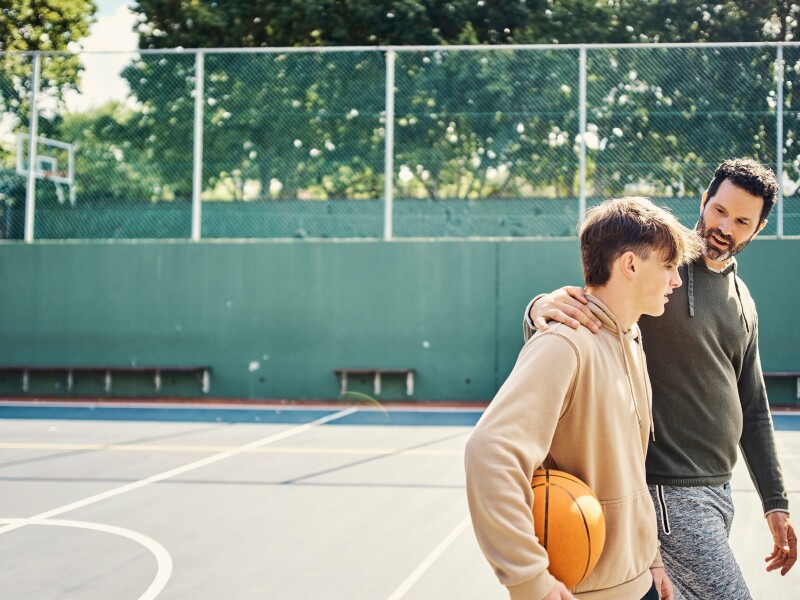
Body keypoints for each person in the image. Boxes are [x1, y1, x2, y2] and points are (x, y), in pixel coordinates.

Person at [524, 159, 797, 600]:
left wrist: (775, 502)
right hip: (668, 491)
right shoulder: (660, 267)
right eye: (719, 210)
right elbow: (591, 303)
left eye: (742, 220)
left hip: (717, 491)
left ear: (758, 227)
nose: (724, 227)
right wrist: (539, 308)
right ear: (705, 200)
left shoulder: (742, 298)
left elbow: (754, 406)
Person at [465, 196, 701, 600]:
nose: (676, 280)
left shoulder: (631, 339)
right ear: (629, 265)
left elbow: (629, 466)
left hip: (638, 581)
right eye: (667, 266)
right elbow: (489, 452)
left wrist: (651, 559)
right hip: (586, 591)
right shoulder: (564, 343)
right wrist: (528, 580)